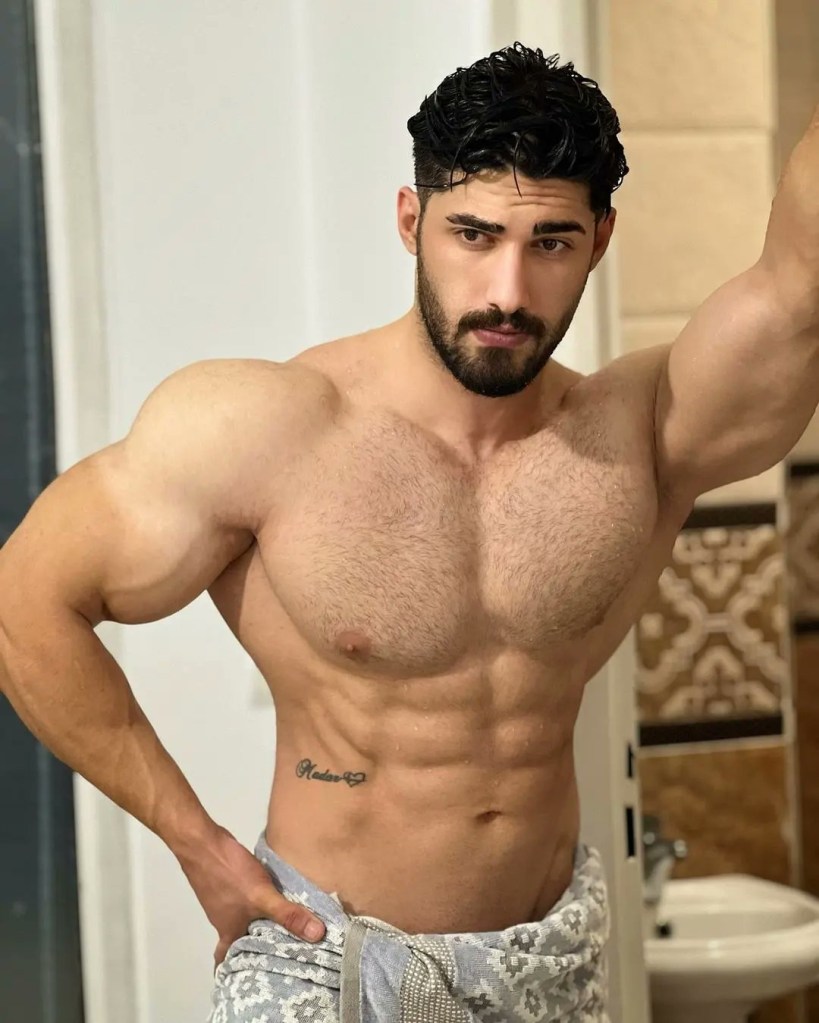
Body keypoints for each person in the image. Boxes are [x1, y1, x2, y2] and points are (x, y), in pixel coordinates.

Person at [1, 41, 818, 1023]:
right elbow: (25, 602)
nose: (507, 290)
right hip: (326, 961)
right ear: (409, 221)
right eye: (473, 234)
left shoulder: (645, 432)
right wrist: (195, 842)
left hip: (550, 963)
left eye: (551, 243)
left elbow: (799, 281)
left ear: (600, 240)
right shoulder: (267, 429)